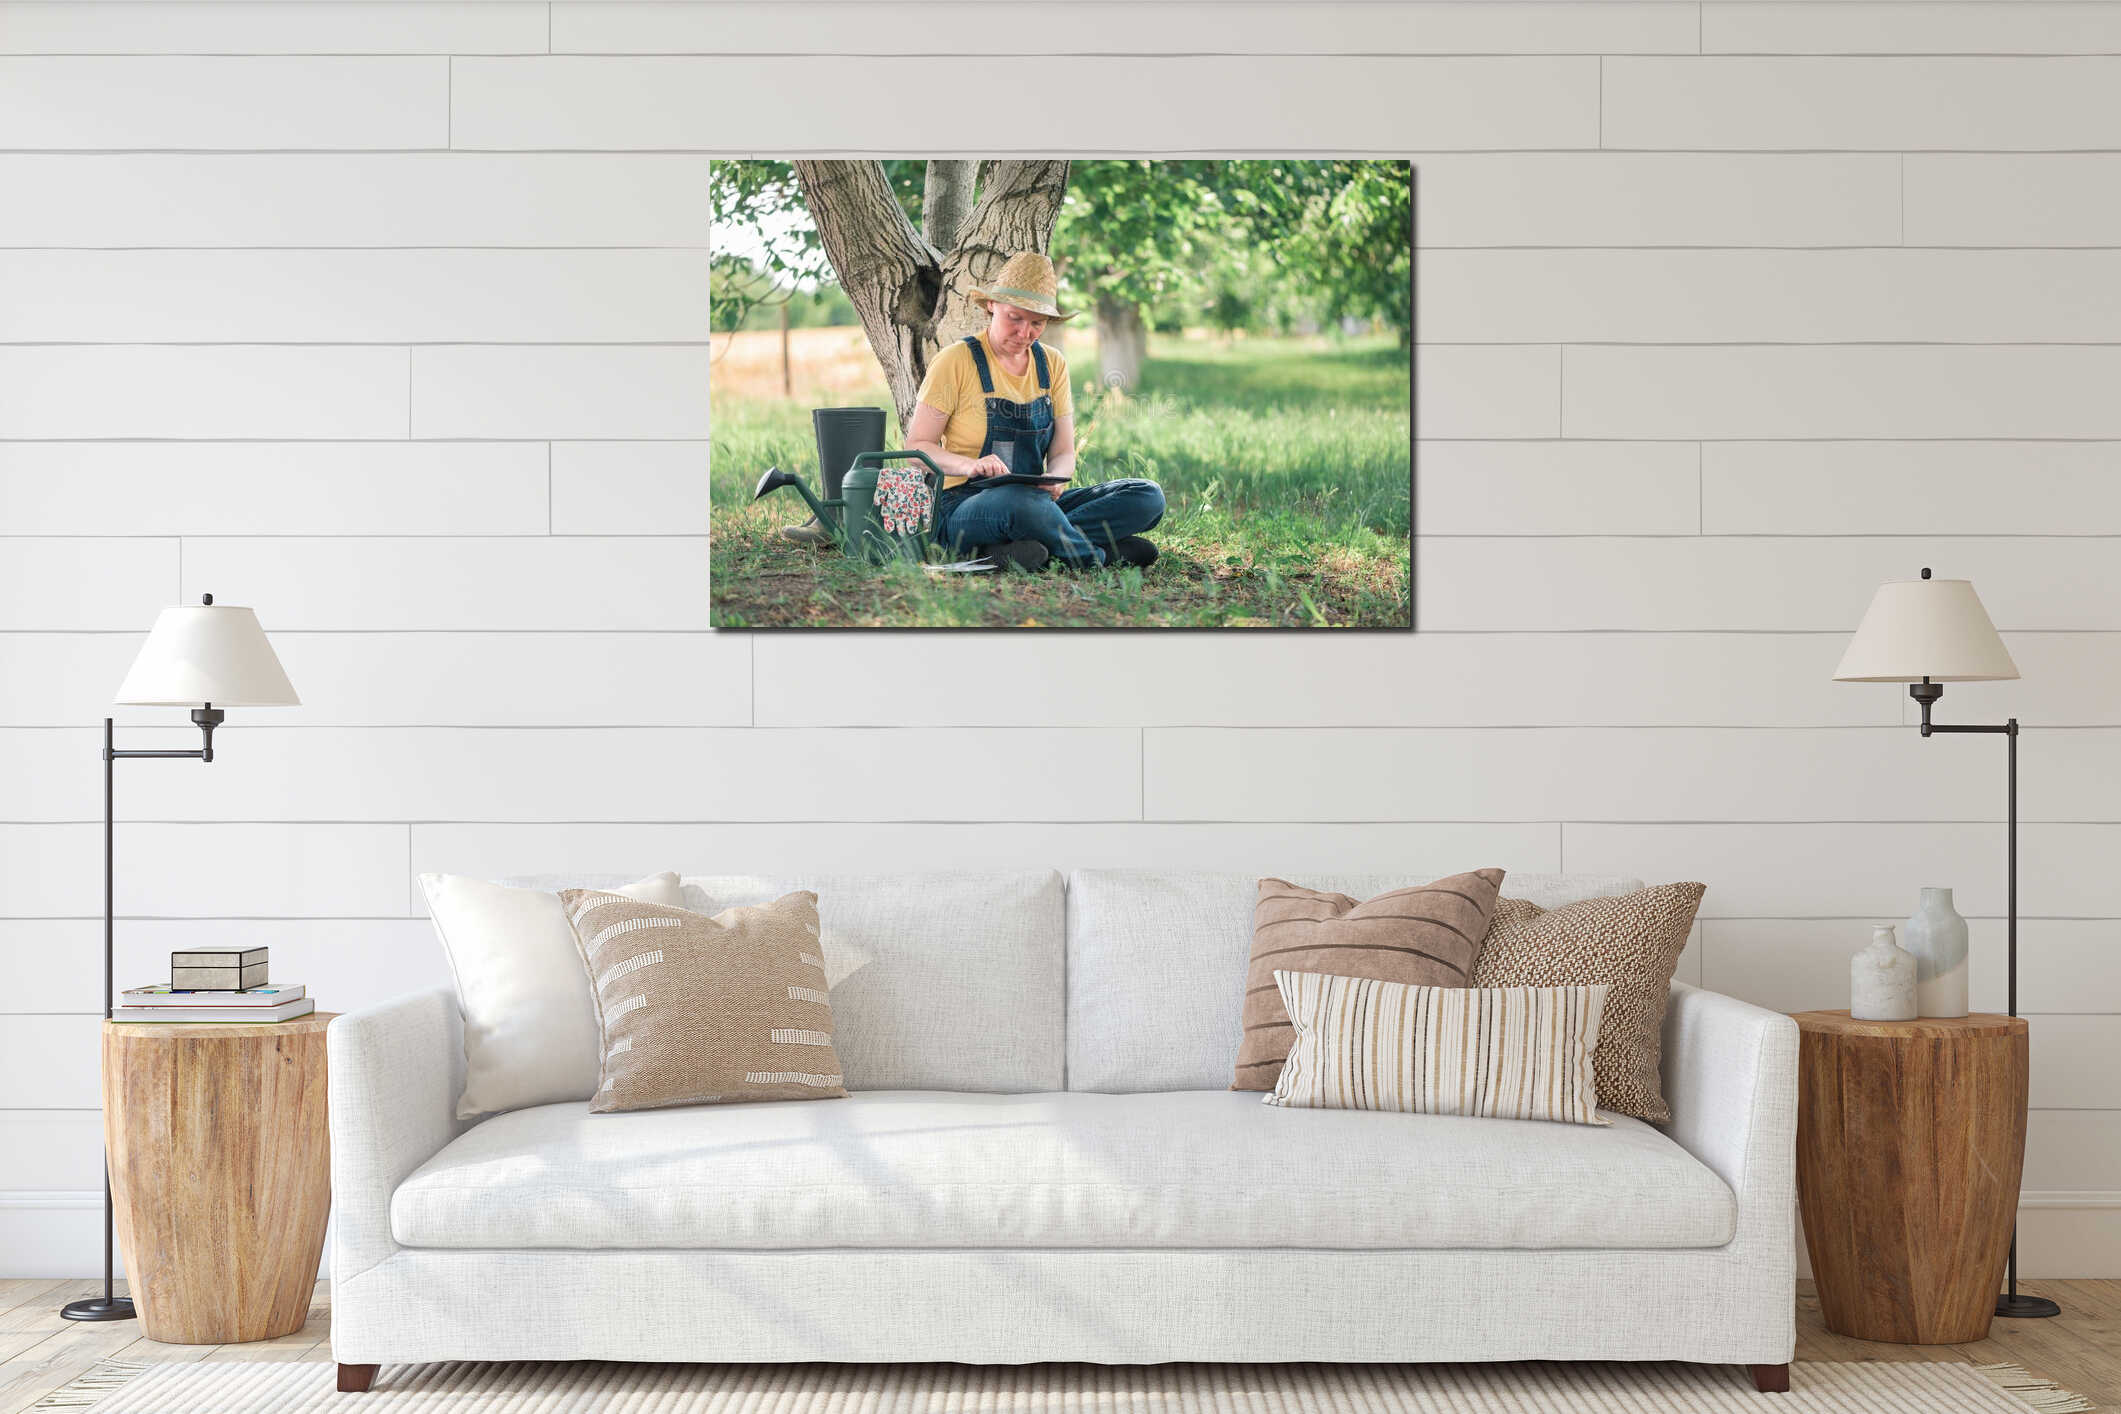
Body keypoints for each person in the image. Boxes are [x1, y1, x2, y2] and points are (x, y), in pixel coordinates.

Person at [904, 252, 1164, 572]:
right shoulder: (956, 361)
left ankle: (1019, 549)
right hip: (964, 505)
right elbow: (917, 448)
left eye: (1037, 323)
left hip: (1037, 502)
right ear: (991, 306)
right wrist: (971, 465)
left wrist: (1058, 478)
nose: (1025, 333)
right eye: (1015, 318)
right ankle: (1098, 557)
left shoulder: (1051, 364)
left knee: (1147, 496)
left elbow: (1063, 451)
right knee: (1020, 505)